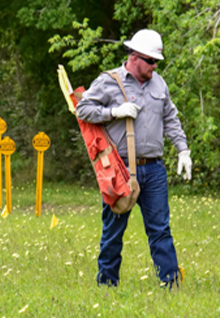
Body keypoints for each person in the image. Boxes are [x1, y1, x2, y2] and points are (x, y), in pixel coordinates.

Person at [76, 29, 192, 287]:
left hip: (154, 170)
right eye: (150, 61)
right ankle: (107, 285)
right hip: (120, 170)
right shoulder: (109, 81)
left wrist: (183, 150)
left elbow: (170, 118)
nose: (154, 66)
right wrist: (113, 111)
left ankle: (171, 284)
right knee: (113, 231)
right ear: (135, 57)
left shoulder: (159, 83)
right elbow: (82, 109)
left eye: (156, 62)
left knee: (160, 230)